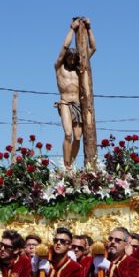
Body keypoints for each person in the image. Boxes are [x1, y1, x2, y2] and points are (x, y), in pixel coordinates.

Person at [54, 17, 96, 167]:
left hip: (78, 104)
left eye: (74, 58)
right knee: (68, 134)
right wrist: (72, 29)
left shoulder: (79, 69)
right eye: (69, 58)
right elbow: (64, 47)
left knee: (78, 138)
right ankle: (66, 165)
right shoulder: (59, 67)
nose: (71, 60)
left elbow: (93, 48)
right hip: (65, 102)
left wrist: (89, 28)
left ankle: (70, 163)